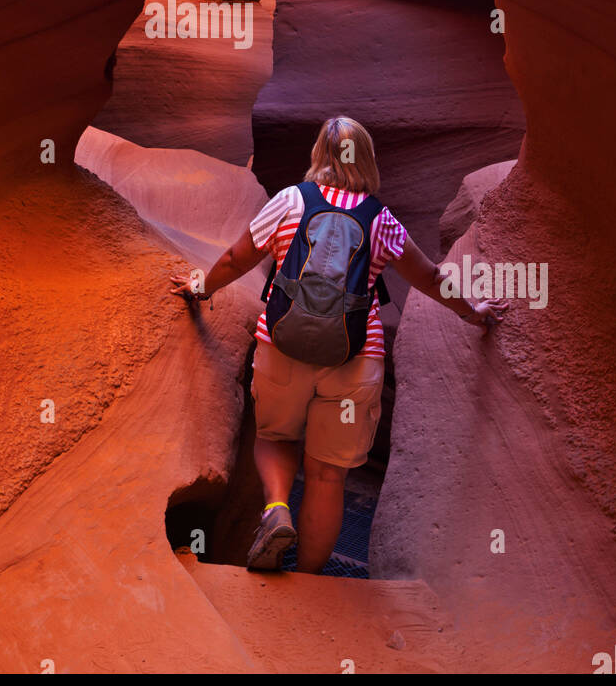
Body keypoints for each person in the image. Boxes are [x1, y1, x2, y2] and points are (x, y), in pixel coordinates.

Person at [170, 115, 508, 574]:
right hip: (353, 357)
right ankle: (308, 579)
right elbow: (429, 278)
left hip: (283, 346)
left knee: (274, 436)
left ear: (318, 156)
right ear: (365, 159)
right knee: (328, 474)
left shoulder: (291, 201)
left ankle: (275, 510)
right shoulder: (380, 219)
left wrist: (200, 287)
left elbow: (236, 257)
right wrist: (474, 313)